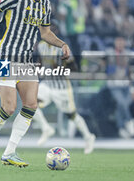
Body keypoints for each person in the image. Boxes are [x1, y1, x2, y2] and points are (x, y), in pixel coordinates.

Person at [0, 0, 71, 167]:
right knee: (9, 107)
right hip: (4, 57)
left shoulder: (46, 5)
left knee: (31, 105)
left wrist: (62, 44)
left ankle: (10, 152)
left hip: (26, 60)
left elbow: (45, 33)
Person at [32, 24, 95, 154]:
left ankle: (88, 137)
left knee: (71, 115)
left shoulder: (63, 48)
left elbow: (73, 66)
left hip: (62, 87)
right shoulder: (42, 45)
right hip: (48, 84)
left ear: (57, 32)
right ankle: (46, 128)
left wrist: (61, 68)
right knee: (31, 103)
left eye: (52, 30)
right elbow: (40, 62)